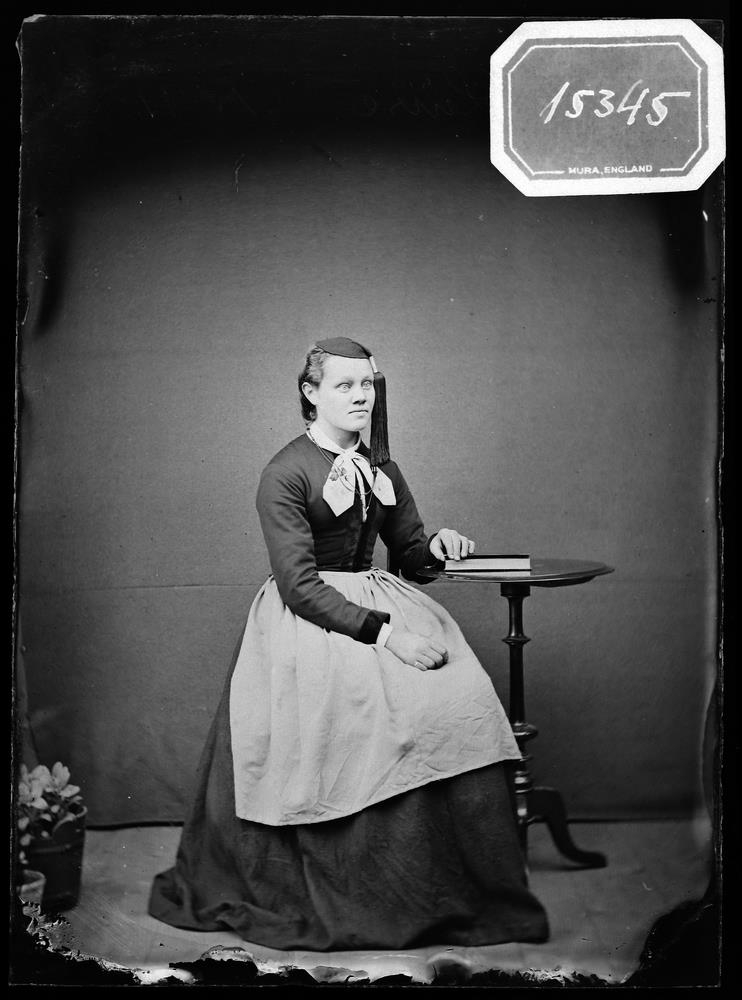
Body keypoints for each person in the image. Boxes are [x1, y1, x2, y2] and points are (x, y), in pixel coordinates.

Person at [149, 338, 548, 950]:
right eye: (344, 385)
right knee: (352, 719)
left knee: (454, 700)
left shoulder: (383, 467)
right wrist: (388, 636)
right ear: (310, 393)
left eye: (367, 385)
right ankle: (351, 883)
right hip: (312, 619)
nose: (361, 397)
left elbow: (409, 556)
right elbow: (298, 586)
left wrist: (437, 545)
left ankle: (438, 885)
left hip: (379, 598)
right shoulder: (285, 472)